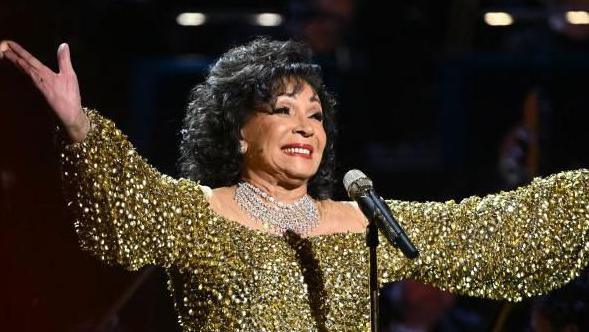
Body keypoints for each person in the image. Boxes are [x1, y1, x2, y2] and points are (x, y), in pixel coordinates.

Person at [1, 37, 588, 331]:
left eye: (315, 114)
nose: (305, 125)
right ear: (237, 133)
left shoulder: (364, 219)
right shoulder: (198, 213)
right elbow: (123, 211)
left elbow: (490, 230)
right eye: (284, 109)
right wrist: (80, 125)